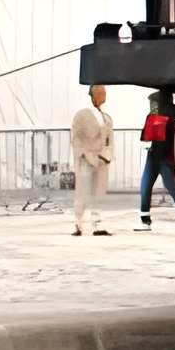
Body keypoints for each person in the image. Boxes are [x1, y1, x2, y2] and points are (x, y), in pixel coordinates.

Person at [136, 98, 175, 228]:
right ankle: (145, 215)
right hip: (157, 156)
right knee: (149, 185)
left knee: (162, 185)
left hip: (160, 157)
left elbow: (149, 136)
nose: (152, 106)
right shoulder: (158, 118)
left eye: (153, 103)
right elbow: (147, 136)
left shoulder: (163, 118)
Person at [67, 82, 116, 235]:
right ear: (94, 95)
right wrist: (84, 154)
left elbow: (109, 139)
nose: (104, 96)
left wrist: (107, 155)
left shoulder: (106, 117)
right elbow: (76, 137)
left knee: (98, 191)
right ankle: (78, 224)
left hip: (101, 159)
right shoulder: (82, 115)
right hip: (86, 159)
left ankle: (97, 224)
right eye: (102, 93)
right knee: (83, 191)